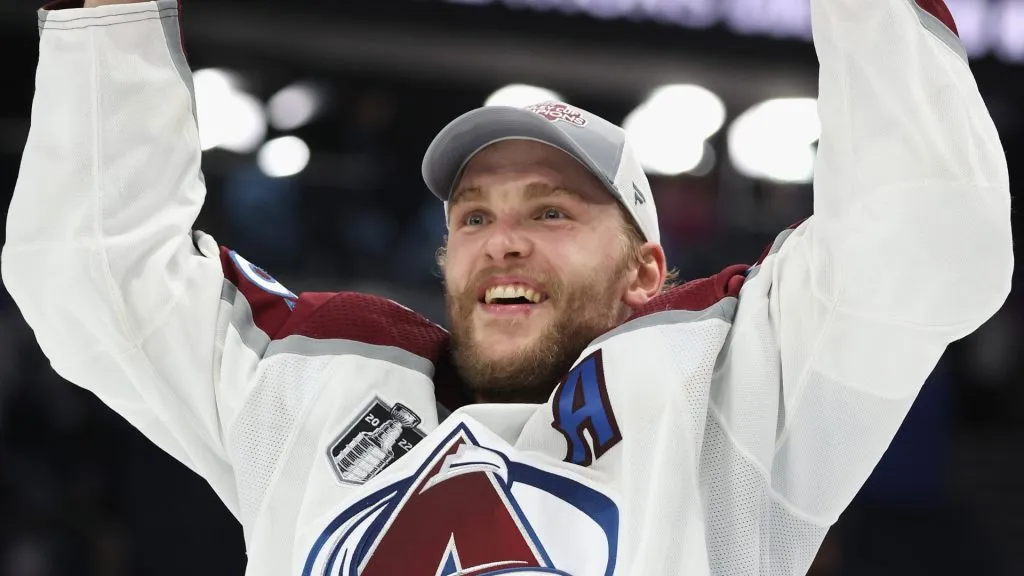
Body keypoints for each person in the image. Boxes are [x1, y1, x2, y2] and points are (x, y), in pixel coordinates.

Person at [1, 0, 1013, 575]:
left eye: (552, 212)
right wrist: (111, 15)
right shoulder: (309, 390)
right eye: (474, 218)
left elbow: (924, 233)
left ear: (644, 271)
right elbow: (93, 271)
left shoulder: (727, 396)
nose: (503, 243)